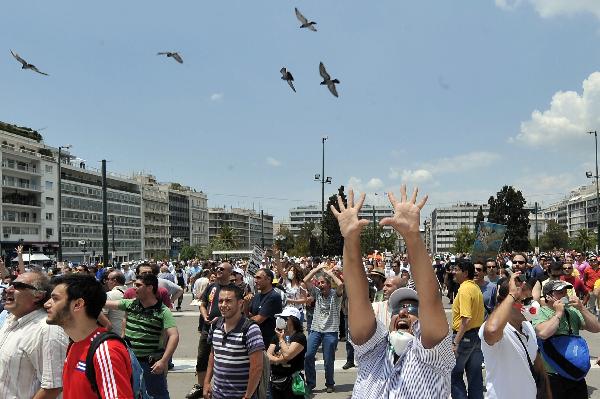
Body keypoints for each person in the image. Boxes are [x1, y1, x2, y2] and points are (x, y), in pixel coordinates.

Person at [331, 186, 454, 398]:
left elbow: (431, 299)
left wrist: (412, 237)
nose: (403, 312)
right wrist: (350, 241)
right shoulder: (372, 353)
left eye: (413, 308)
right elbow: (359, 298)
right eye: (398, 308)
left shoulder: (434, 358)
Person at [45, 274, 133, 399]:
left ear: (78, 304)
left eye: (55, 299)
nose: (47, 304)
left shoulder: (106, 350)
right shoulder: (74, 344)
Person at [105, 273, 179, 399]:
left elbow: (174, 336)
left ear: (150, 288)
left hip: (150, 365)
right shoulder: (131, 304)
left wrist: (163, 360)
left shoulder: (163, 311)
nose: (134, 288)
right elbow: (106, 304)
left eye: (138, 285)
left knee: (157, 395)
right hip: (129, 362)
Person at [479, 274, 550, 398]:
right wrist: (512, 295)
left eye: (531, 299)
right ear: (508, 302)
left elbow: (539, 369)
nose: (532, 305)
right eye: (525, 301)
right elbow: (491, 331)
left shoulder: (528, 328)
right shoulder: (498, 329)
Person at [0, 271, 68, 399]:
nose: (8, 289)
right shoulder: (10, 321)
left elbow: (53, 387)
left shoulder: (48, 330)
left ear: (38, 295)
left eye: (18, 286)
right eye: (10, 284)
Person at [533, 280, 600, 398]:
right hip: (552, 376)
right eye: (559, 292)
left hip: (574, 373)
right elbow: (543, 333)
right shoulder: (542, 313)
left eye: (565, 292)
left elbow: (596, 328)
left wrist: (581, 308)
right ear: (548, 296)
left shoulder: (572, 312)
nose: (564, 295)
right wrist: (558, 313)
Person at [203, 284, 264, 399]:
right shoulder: (215, 325)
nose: (223, 305)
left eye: (228, 301)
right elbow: (213, 355)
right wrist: (206, 383)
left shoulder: (251, 329)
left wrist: (248, 396)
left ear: (240, 303)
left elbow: (257, 367)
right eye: (220, 301)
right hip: (217, 395)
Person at [186, 262, 232, 399]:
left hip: (226, 329)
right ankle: (200, 386)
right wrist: (204, 314)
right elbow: (203, 303)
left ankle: (223, 387)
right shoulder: (211, 287)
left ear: (230, 272)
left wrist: (221, 318)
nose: (218, 270)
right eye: (217, 268)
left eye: (222, 269)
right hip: (208, 329)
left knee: (224, 359)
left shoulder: (234, 289)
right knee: (202, 357)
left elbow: (238, 309)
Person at [302, 263, 344, 393]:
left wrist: (330, 273)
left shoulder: (335, 295)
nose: (320, 285)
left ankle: (330, 383)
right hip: (316, 329)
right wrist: (317, 269)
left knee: (328, 360)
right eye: (318, 283)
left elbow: (341, 285)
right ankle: (310, 383)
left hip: (330, 332)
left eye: (322, 283)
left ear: (329, 285)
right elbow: (305, 280)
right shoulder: (317, 293)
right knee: (308, 356)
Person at [451, 259, 485, 399]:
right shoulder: (475, 288)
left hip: (464, 337)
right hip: (476, 336)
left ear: (465, 273)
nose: (454, 272)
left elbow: (466, 319)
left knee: (454, 374)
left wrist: (456, 342)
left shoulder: (465, 289)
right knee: (475, 376)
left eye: (457, 269)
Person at [267, 306, 307, 399]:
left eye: (285, 318)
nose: (281, 320)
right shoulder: (276, 336)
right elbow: (267, 355)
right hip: (276, 379)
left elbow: (288, 355)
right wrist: (280, 360)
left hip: (292, 380)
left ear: (293, 320)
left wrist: (281, 339)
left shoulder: (299, 337)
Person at [249, 268, 284, 348]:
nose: (255, 280)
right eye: (255, 278)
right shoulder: (257, 296)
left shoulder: (274, 296)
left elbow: (259, 319)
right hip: (255, 338)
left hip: (268, 342)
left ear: (268, 279)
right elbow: (249, 314)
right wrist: (246, 304)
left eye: (259, 278)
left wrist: (240, 321)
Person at [99, 270, 127, 335]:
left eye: (108, 279)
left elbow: (104, 319)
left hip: (114, 334)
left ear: (114, 281)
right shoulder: (129, 293)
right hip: (128, 334)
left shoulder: (109, 295)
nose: (106, 281)